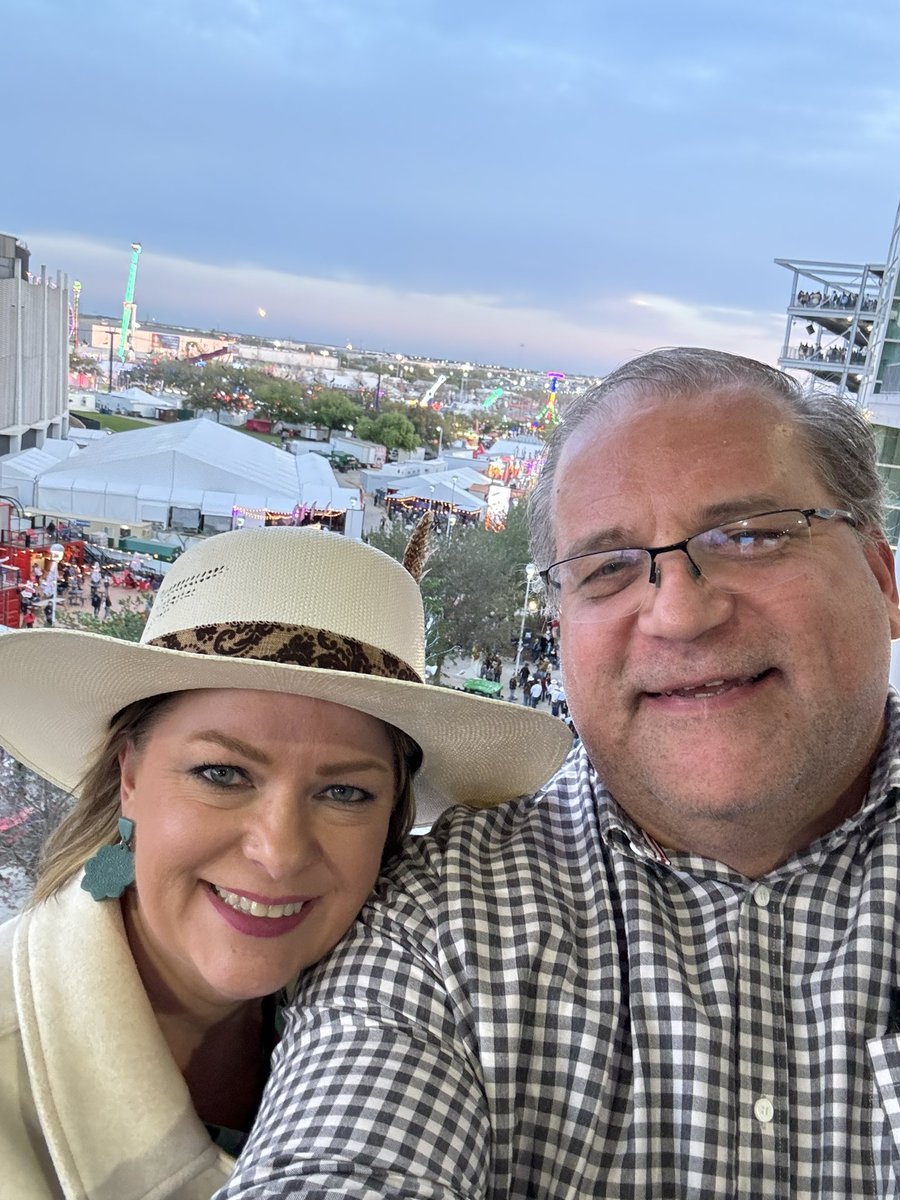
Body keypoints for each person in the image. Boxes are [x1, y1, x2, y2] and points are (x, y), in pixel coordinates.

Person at [217, 347, 900, 1199]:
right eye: (608, 567)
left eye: (752, 535)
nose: (680, 612)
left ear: (882, 576)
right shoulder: (438, 920)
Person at [0, 526, 570, 1199]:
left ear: (392, 822)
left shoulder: (416, 994)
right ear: (130, 777)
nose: (277, 853)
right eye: (223, 773)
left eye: (345, 792)